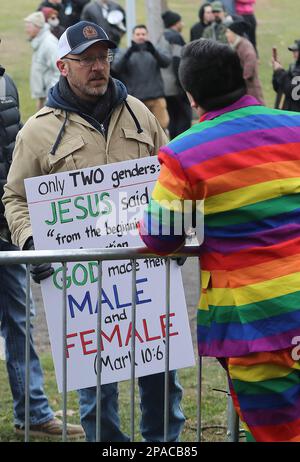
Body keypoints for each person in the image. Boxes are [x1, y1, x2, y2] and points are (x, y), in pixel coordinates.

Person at [3, 21, 185, 443]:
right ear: (63, 67)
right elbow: (14, 199)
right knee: (96, 396)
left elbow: (174, 179)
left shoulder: (141, 114)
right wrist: (32, 242)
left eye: (103, 57)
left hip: (148, 282)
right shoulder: (38, 131)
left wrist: (180, 231)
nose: (98, 67)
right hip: (82, 294)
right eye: (86, 60)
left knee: (161, 384)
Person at [140, 38, 300, 443]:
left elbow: (159, 237)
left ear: (191, 97)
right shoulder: (294, 127)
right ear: (243, 76)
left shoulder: (185, 154)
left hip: (258, 326)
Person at [0, 41, 84, 441]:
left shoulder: (6, 85)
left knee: (21, 318)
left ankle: (32, 410)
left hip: (5, 229)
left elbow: (13, 164)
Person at [112, 24, 171, 132]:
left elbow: (166, 62)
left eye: (143, 34)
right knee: (139, 130)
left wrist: (153, 51)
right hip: (135, 100)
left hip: (156, 98)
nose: (141, 36)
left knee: (161, 129)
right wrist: (129, 52)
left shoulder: (155, 50)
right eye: (138, 34)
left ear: (147, 36)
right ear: (133, 36)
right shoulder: (124, 52)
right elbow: (116, 68)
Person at [158, 11, 192, 139]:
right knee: (184, 118)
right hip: (175, 86)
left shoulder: (161, 37)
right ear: (176, 23)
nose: (182, 24)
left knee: (173, 118)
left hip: (164, 87)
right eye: (180, 21)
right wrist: (182, 83)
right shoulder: (175, 37)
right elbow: (178, 61)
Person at [24, 12, 60, 110]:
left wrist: (51, 96)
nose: (26, 30)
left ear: (37, 26)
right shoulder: (39, 41)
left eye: (28, 26)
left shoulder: (49, 43)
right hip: (43, 96)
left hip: (50, 98)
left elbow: (59, 71)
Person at [226, 20, 264, 103]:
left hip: (250, 89)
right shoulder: (237, 46)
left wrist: (244, 76)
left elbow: (250, 59)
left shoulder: (245, 46)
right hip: (244, 89)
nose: (226, 35)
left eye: (228, 32)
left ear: (235, 33)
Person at [272, 40, 300, 112]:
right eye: (293, 51)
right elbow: (278, 88)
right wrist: (276, 72)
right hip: (284, 114)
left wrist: (279, 72)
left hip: (295, 118)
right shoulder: (293, 67)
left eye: (296, 51)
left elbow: (295, 93)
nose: (294, 54)